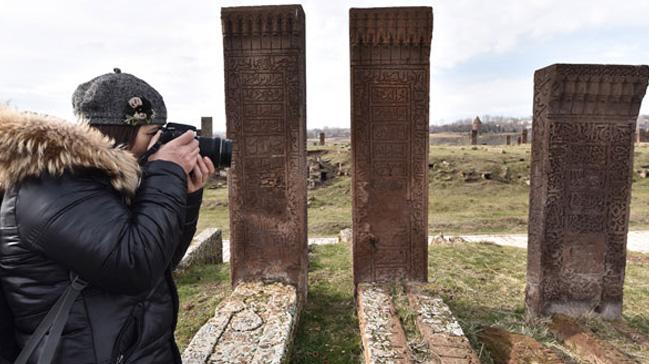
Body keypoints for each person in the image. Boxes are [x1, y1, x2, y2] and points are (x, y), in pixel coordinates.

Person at [0, 68, 215, 363]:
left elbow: (160, 262)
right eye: (152, 134)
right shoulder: (50, 187)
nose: (159, 145)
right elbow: (135, 265)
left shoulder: (108, 182)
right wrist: (166, 171)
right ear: (119, 134)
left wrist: (187, 197)